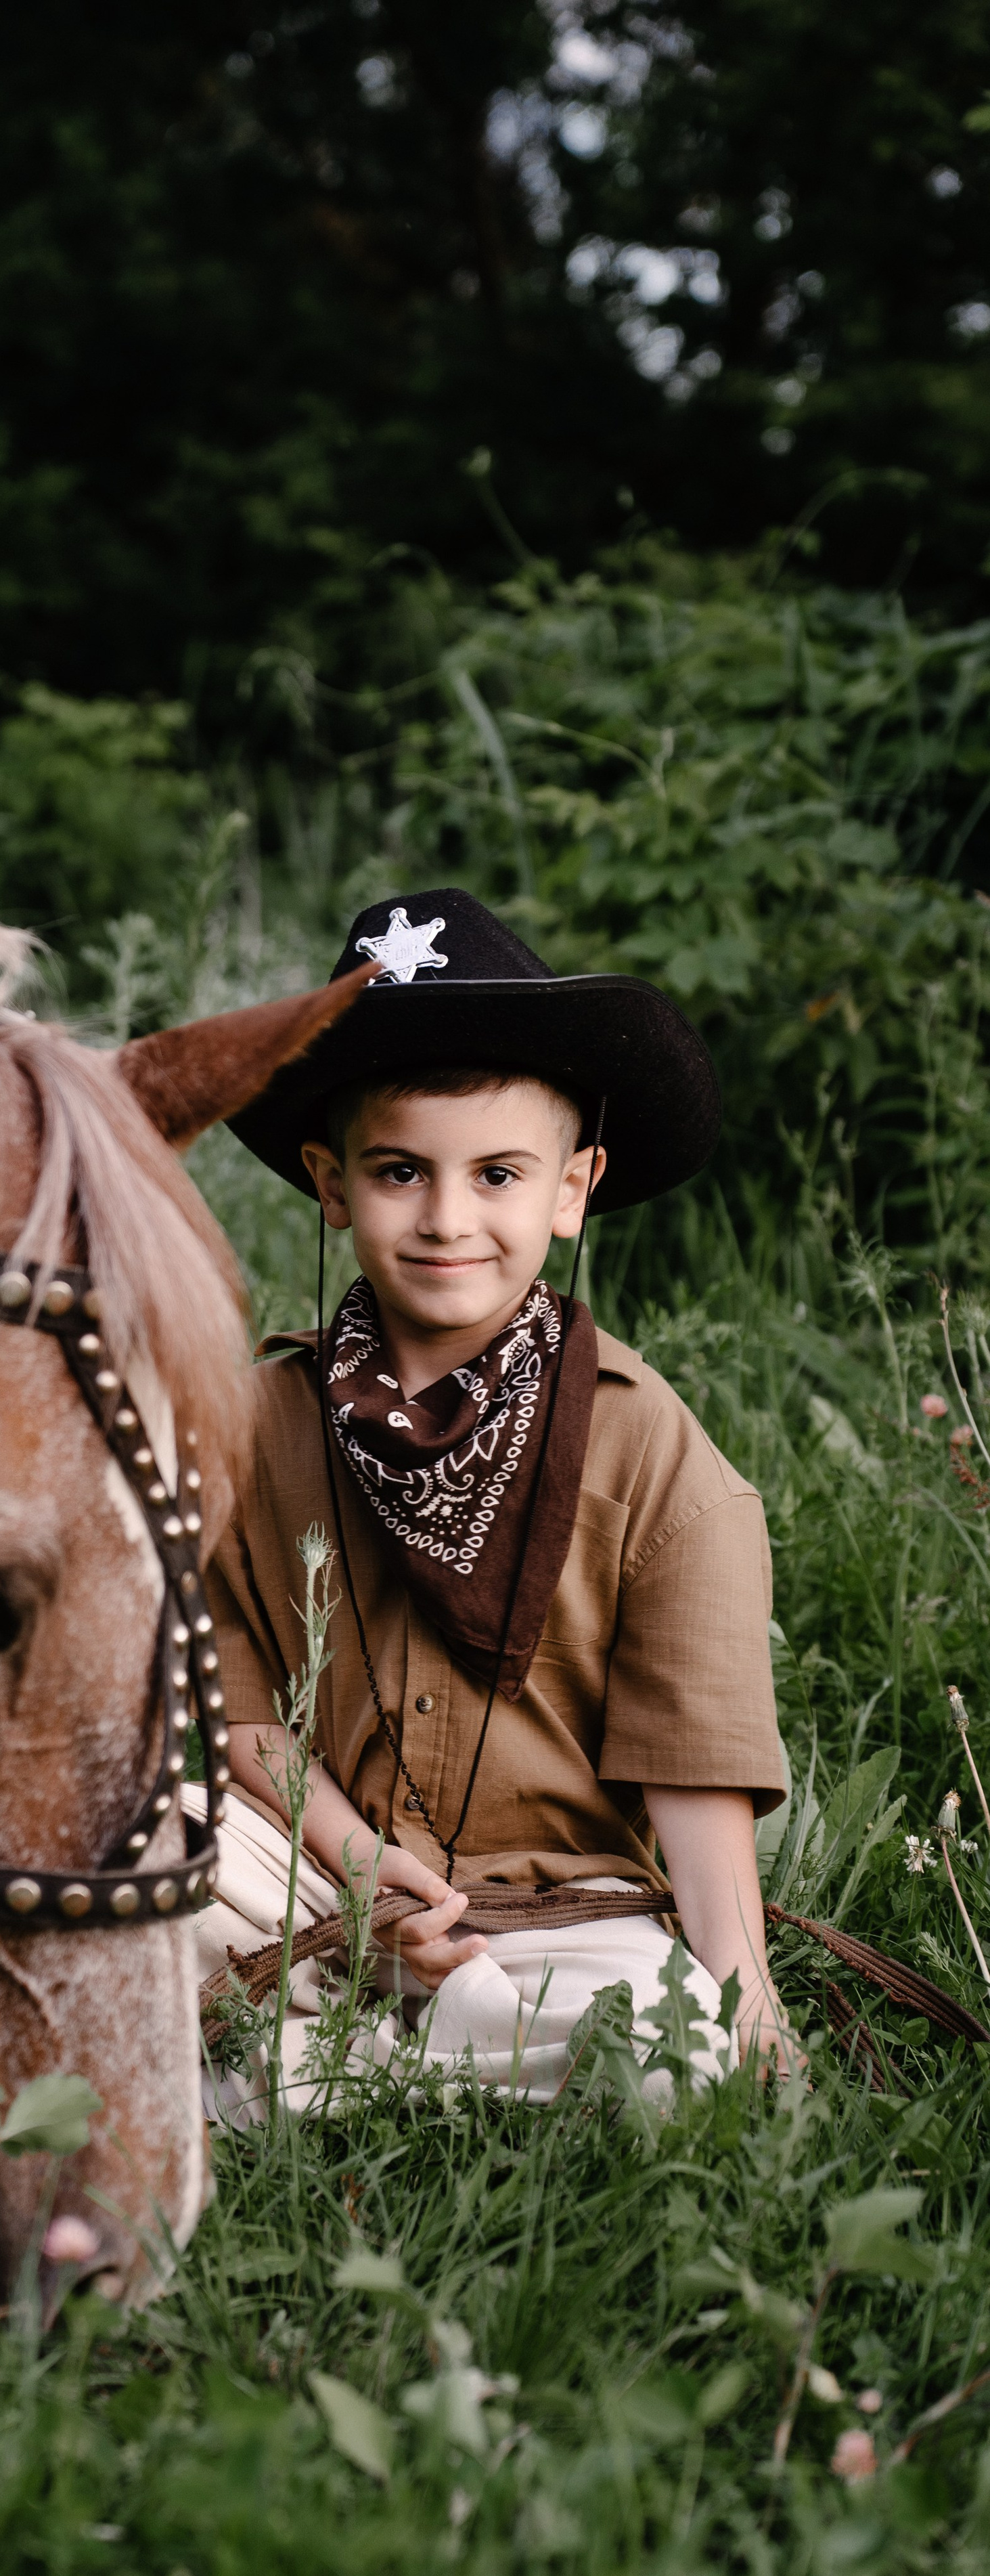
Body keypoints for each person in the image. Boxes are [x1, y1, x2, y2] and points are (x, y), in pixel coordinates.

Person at [192, 887, 792, 2115]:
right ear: (331, 1182)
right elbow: (243, 1718)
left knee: (684, 2053)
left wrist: (747, 1995)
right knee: (134, 1861)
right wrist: (374, 1883)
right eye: (402, 1171)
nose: (449, 1219)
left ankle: (300, 2074)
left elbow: (697, 1773)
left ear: (570, 1193)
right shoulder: (251, 1426)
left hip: (565, 1908)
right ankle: (386, 2045)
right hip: (321, 1875)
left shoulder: (654, 1452)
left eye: (499, 1174)